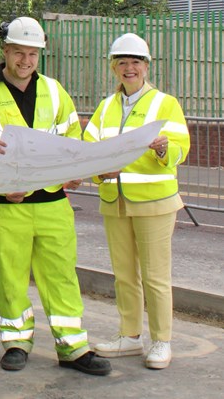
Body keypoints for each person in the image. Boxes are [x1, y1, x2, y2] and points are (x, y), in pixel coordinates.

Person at [0, 17, 111, 376]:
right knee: (10, 277)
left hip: (53, 203)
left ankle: (73, 346)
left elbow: (73, 140)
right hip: (6, 206)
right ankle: (16, 341)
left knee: (61, 276)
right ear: (5, 51)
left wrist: (76, 170)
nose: (26, 60)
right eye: (19, 52)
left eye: (33, 53)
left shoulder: (56, 92)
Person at [83, 33, 190, 370]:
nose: (129, 68)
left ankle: (161, 340)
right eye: (123, 62)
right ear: (114, 68)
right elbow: (91, 151)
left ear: (146, 67)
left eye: (136, 63)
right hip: (115, 201)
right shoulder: (105, 107)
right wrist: (100, 172)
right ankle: (130, 336)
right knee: (124, 274)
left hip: (154, 202)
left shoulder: (165, 103)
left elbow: (180, 148)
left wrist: (163, 149)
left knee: (155, 275)